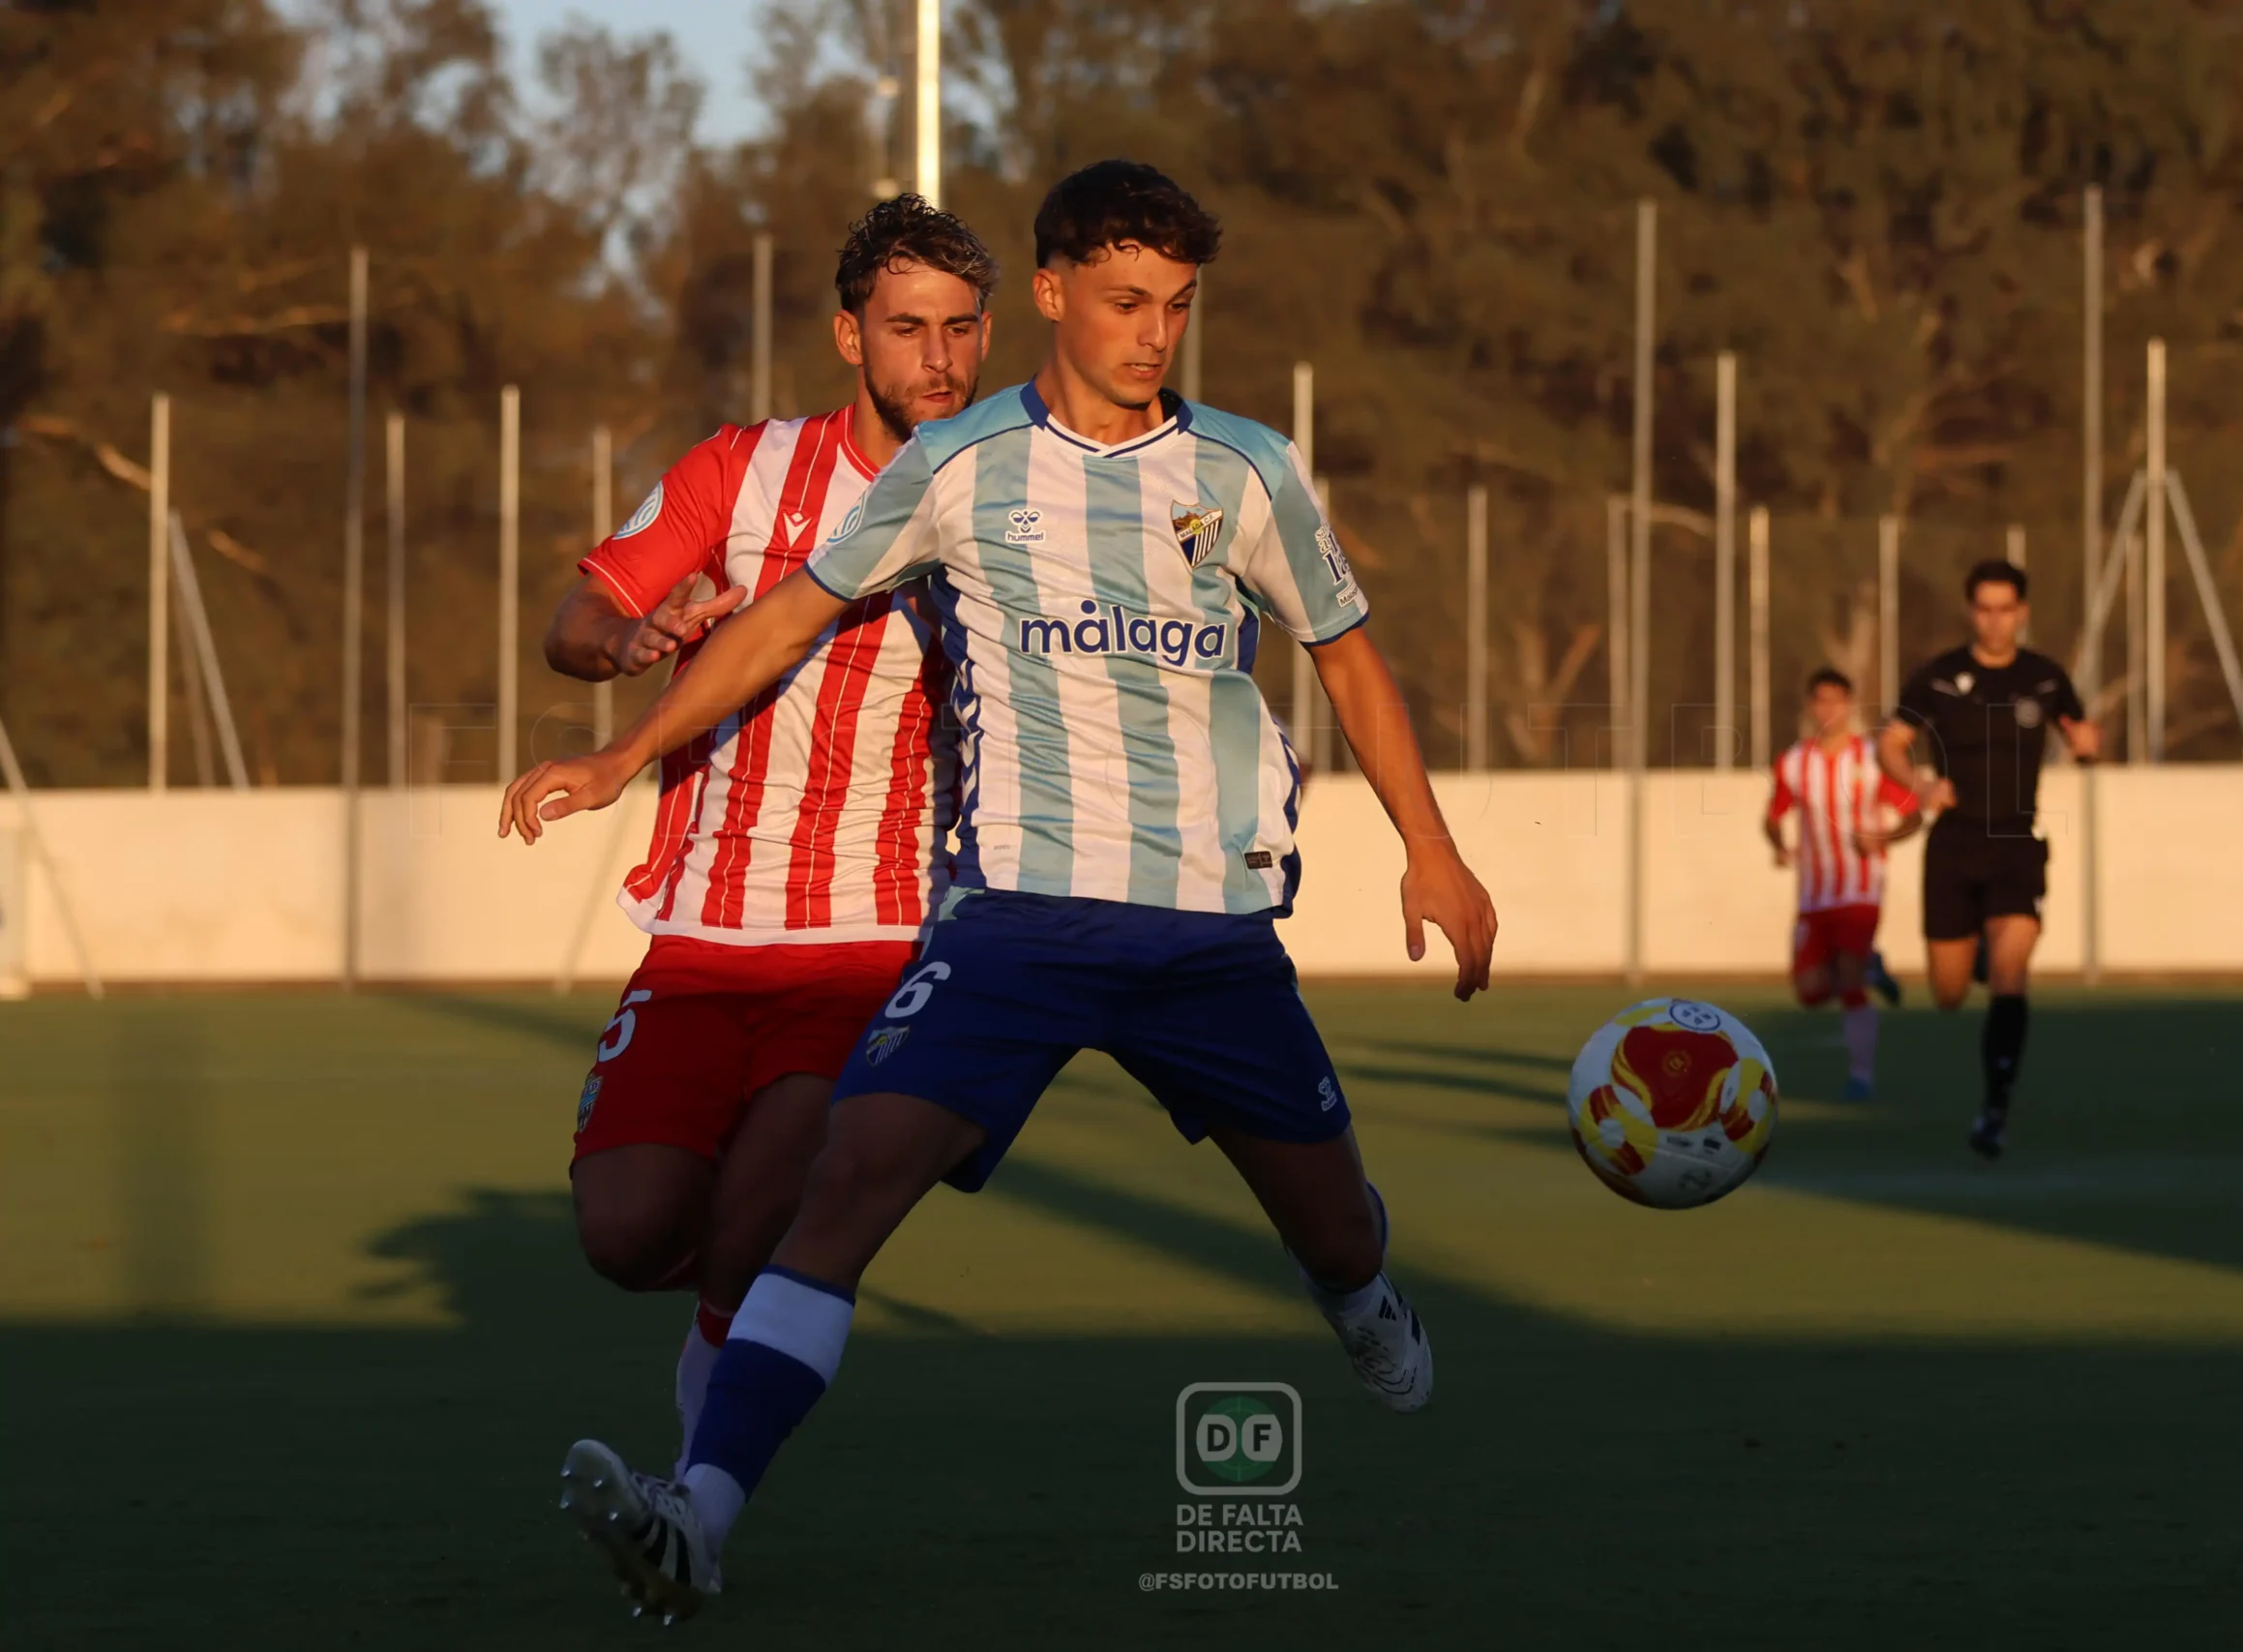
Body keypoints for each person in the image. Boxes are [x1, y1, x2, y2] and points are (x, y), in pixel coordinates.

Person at [500, 159, 1498, 1621]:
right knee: (840, 1191)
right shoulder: (959, 466)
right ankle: (696, 1518)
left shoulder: (1244, 467)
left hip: (1205, 929)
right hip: (1012, 923)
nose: (1153, 334)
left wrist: (1433, 841)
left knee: (1336, 1230)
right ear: (1054, 295)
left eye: (1176, 305)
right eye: (1123, 301)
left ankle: (1362, 1293)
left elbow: (1343, 649)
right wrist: (624, 750)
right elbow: (781, 616)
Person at [532, 195, 997, 1478]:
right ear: (851, 337)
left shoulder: (1015, 501)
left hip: (874, 936)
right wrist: (624, 642)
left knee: (763, 1212)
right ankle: (743, 1312)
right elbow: (579, 613)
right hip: (701, 928)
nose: (940, 359)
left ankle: (700, 1489)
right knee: (624, 1229)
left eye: (962, 328)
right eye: (908, 329)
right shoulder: (742, 471)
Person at [1880, 559, 2099, 1159]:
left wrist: (2087, 746)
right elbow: (1891, 743)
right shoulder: (1939, 677)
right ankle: (1972, 951)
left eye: (2007, 609)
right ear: (1971, 611)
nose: (1996, 620)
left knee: (2010, 975)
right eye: (1985, 608)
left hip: (2015, 846)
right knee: (1948, 994)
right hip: (1952, 846)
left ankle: (1994, 1109)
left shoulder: (2046, 678)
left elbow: (2082, 734)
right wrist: (1919, 786)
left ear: (2022, 612)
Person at [1764, 667, 1923, 1100]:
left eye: (1837, 700)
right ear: (1810, 706)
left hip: (1860, 888)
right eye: (1821, 700)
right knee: (1810, 991)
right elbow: (1773, 816)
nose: (1828, 709)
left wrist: (1882, 836)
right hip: (1814, 892)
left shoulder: (1871, 759)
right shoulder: (1794, 763)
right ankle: (1870, 966)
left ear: (1850, 706)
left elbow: (1914, 814)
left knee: (1849, 981)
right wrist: (1779, 845)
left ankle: (1861, 1076)